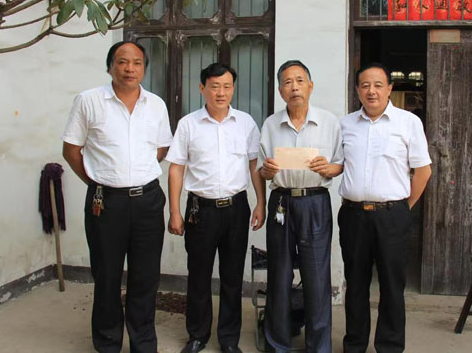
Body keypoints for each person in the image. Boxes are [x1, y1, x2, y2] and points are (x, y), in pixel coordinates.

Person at [62, 41, 173, 353]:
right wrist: (98, 181)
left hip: (148, 201)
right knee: (107, 275)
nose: (129, 69)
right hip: (106, 202)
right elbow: (71, 150)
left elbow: (161, 148)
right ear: (110, 66)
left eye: (137, 62)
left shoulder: (156, 104)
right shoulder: (89, 101)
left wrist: (134, 172)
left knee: (145, 277)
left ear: (144, 68)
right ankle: (108, 342)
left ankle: (143, 343)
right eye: (122, 62)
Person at [166, 63, 266, 353]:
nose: (221, 92)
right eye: (214, 86)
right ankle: (197, 335)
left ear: (233, 88)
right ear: (202, 88)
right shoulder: (188, 124)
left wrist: (260, 202)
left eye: (226, 86)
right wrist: (175, 211)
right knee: (198, 275)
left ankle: (229, 339)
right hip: (200, 210)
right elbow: (176, 168)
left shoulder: (246, 123)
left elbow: (254, 165)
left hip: (236, 208)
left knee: (232, 277)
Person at [338, 62, 432, 353]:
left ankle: (389, 347)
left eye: (378, 85)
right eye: (365, 85)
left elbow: (423, 171)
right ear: (357, 90)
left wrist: (403, 207)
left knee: (392, 285)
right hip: (353, 216)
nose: (372, 91)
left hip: (392, 216)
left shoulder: (408, 123)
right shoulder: (345, 125)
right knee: (355, 284)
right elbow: (337, 164)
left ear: (389, 88)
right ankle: (355, 345)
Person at [258, 60, 343, 353]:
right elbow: (261, 169)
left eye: (299, 80)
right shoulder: (271, 124)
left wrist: (329, 168)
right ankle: (277, 344)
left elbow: (340, 164)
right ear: (280, 90)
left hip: (315, 202)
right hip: (281, 202)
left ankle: (318, 347)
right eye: (287, 82)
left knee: (316, 278)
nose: (294, 87)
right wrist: (267, 170)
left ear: (310, 86)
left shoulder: (329, 123)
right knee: (279, 275)